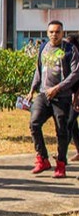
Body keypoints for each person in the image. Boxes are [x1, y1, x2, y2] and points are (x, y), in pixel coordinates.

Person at [26, 20, 79, 178]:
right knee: (34, 123)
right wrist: (31, 90)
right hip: (43, 94)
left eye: (57, 32)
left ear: (62, 33)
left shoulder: (70, 49)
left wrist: (58, 88)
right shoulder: (43, 47)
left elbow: (75, 73)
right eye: (51, 32)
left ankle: (61, 164)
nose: (54, 35)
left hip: (62, 96)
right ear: (47, 33)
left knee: (62, 131)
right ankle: (42, 159)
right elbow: (39, 70)